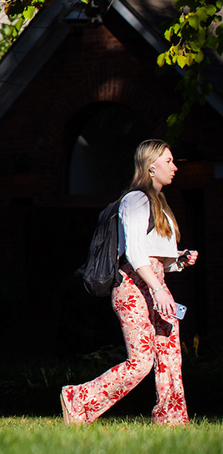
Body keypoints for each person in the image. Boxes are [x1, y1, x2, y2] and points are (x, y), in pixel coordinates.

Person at [62, 139, 199, 425]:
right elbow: (135, 253)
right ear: (151, 166)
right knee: (142, 362)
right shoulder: (135, 200)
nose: (175, 167)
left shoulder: (160, 203)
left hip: (155, 283)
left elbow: (155, 257)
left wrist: (179, 261)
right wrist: (159, 289)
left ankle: (172, 422)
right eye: (169, 161)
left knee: (170, 357)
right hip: (133, 288)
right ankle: (78, 399)